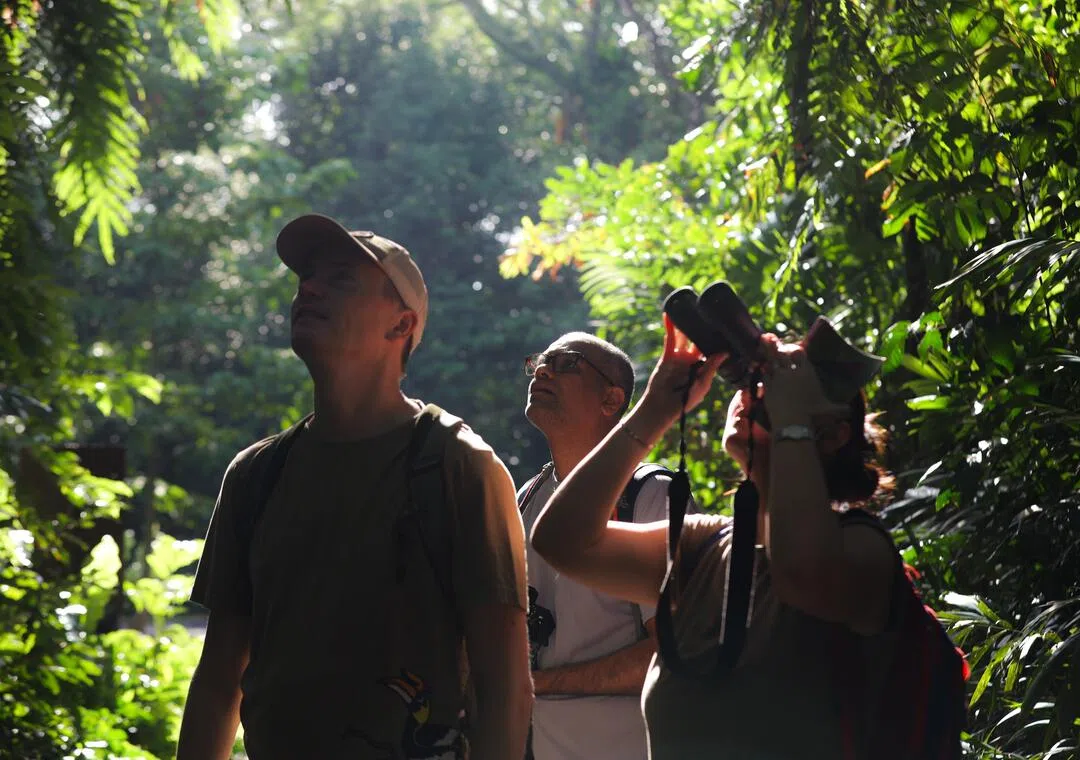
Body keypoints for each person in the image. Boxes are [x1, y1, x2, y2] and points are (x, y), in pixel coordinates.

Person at [177, 213, 532, 760]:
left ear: (400, 324)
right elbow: (219, 677)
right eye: (306, 278)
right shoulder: (255, 476)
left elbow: (504, 682)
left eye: (340, 278)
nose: (309, 288)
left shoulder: (458, 465)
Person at [530, 315, 909, 759]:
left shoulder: (863, 549)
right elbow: (560, 541)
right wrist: (656, 409)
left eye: (771, 386)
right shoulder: (707, 550)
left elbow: (802, 576)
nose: (754, 392)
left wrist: (790, 420)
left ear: (833, 434)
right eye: (752, 383)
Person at [518, 333, 694, 760]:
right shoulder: (527, 497)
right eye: (542, 362)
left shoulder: (653, 496)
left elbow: (676, 649)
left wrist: (540, 684)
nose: (544, 370)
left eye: (567, 363)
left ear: (612, 400)